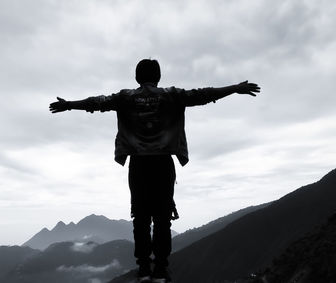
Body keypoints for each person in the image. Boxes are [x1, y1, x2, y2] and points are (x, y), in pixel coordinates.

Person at [49, 59, 260, 283]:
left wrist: (69, 104)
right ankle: (160, 268)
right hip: (163, 164)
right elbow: (203, 95)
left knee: (140, 218)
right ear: (158, 77)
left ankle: (143, 269)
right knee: (162, 218)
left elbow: (97, 102)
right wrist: (234, 88)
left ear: (137, 77)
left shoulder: (126, 97)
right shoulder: (171, 95)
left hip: (138, 165)